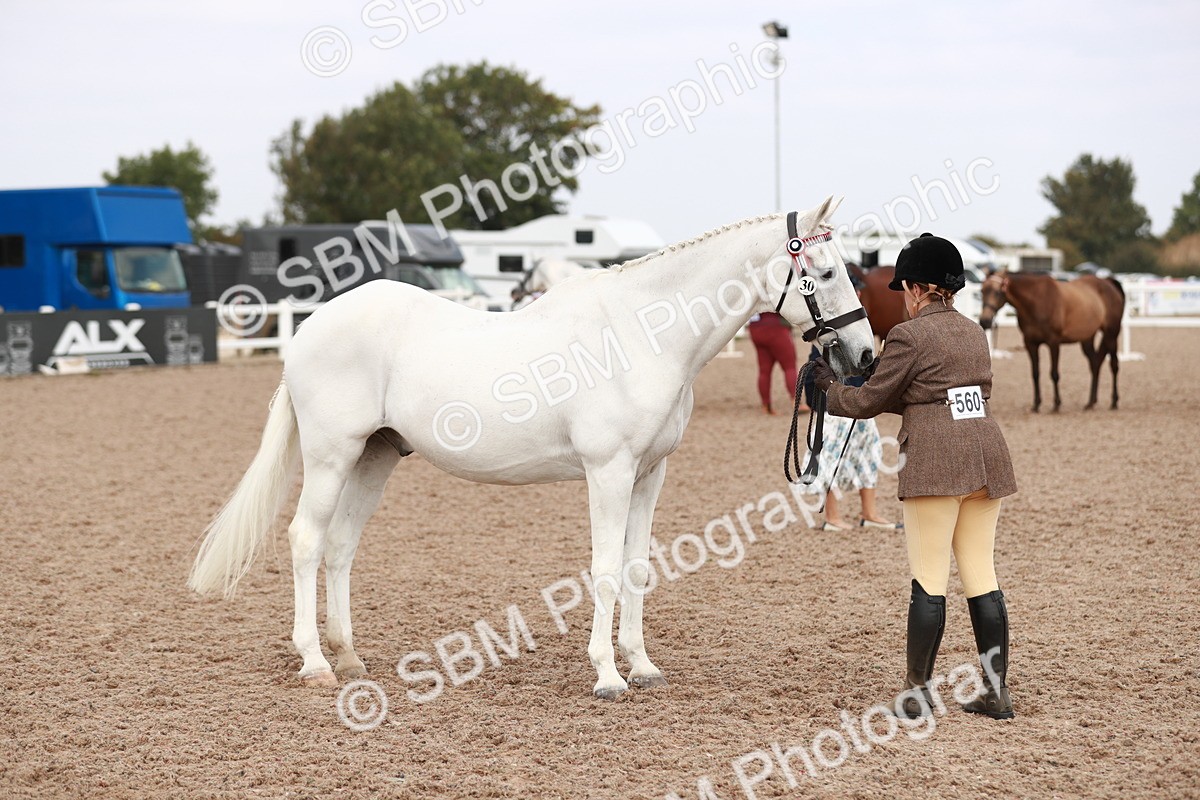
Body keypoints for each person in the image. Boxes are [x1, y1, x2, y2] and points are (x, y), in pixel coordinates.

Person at [811, 233, 1018, 720]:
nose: (904, 298)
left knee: (929, 578)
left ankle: (917, 692)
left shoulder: (909, 336)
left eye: (906, 288)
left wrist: (827, 386)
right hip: (987, 456)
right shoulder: (973, 331)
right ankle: (996, 691)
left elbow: (866, 402)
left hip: (936, 463)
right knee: (981, 575)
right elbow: (933, 393)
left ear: (922, 289)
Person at [748, 311, 805, 414]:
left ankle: (766, 405)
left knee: (764, 371)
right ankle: (796, 403)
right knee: (789, 367)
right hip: (775, 326)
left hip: (755, 327)